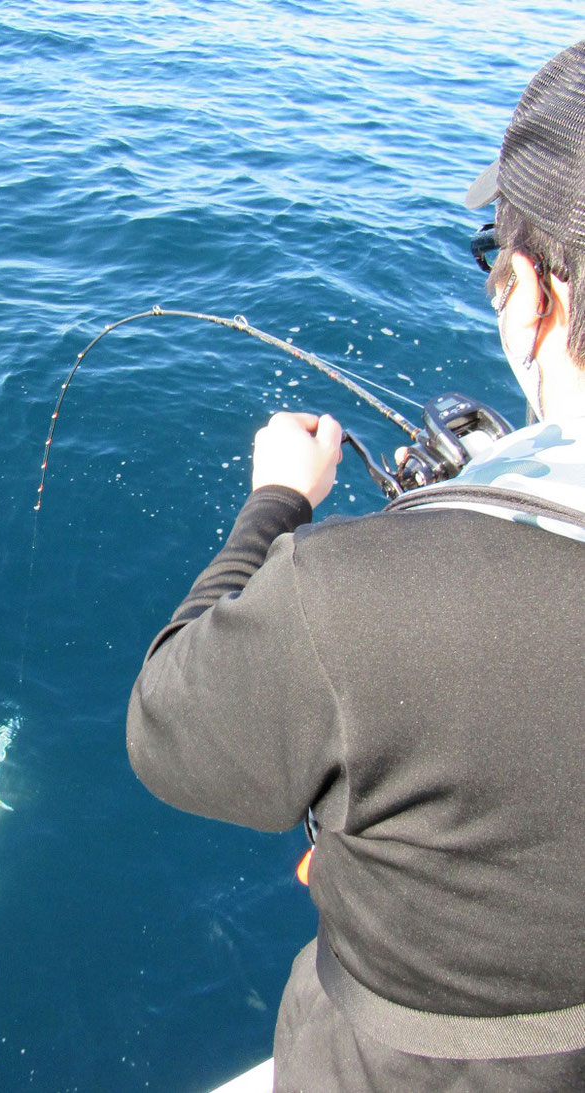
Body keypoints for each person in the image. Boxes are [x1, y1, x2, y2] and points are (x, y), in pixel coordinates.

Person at [125, 40, 585, 1092]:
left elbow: (164, 729)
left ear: (535, 299)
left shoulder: (353, 602)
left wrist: (275, 502)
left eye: (495, 259)